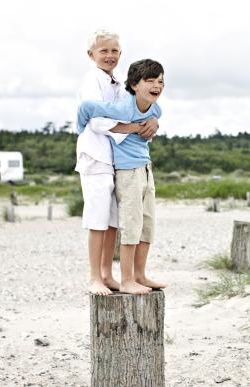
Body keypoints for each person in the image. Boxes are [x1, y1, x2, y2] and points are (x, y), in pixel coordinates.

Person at [75, 30, 158, 296]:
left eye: (114, 51)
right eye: (104, 51)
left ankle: (108, 274)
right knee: (97, 218)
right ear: (92, 55)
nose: (110, 56)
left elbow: (136, 105)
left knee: (112, 220)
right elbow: (97, 121)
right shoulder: (91, 81)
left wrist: (153, 120)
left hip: (114, 159)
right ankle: (94, 277)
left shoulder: (118, 82)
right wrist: (134, 128)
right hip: (95, 157)